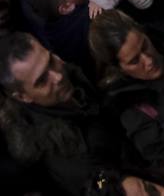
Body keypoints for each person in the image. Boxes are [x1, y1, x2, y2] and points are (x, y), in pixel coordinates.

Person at [0, 31, 122, 195]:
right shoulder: (58, 152)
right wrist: (113, 179)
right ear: (23, 96)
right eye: (42, 80)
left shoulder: (74, 76)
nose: (57, 77)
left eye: (50, 61)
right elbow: (99, 183)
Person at [87, 9, 164, 165]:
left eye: (144, 46)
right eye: (134, 61)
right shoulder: (134, 111)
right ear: (119, 68)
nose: (149, 61)